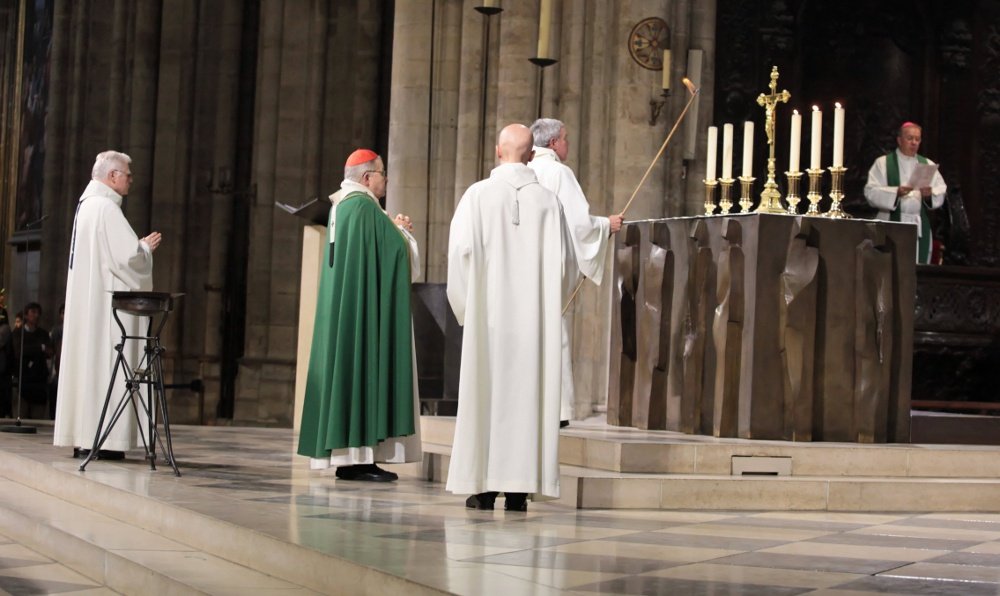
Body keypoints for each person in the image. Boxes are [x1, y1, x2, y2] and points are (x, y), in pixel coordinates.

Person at [446, 124, 578, 511]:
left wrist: (467, 310)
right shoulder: (548, 202)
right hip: (534, 325)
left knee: (487, 396)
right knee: (528, 397)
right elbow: (566, 265)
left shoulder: (476, 197)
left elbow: (459, 256)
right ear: (529, 154)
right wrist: (548, 306)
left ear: (497, 151)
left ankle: (483, 487)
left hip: (489, 322)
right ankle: (520, 489)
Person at [296, 148, 422, 481]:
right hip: (362, 313)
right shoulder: (364, 206)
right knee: (364, 368)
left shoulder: (342, 205)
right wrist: (403, 232)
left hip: (346, 311)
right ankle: (361, 459)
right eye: (383, 174)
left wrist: (391, 227)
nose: (386, 180)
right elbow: (395, 253)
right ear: (367, 178)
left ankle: (351, 458)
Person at [53, 150, 162, 458]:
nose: (130, 180)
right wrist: (144, 247)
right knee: (106, 366)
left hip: (91, 306)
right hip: (107, 311)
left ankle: (87, 436)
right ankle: (107, 441)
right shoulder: (106, 209)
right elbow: (128, 259)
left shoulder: (86, 207)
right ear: (113, 176)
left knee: (90, 368)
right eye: (127, 175)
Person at [528, 118, 623, 426]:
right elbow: (579, 224)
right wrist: (606, 225)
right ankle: (557, 411)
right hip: (552, 266)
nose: (568, 144)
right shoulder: (558, 172)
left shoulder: (525, 170)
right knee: (555, 333)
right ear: (553, 143)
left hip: (526, 267)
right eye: (566, 138)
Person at [864, 122, 947, 264]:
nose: (914, 142)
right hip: (890, 223)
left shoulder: (927, 164)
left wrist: (929, 195)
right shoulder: (883, 163)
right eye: (910, 138)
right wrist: (896, 192)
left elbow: (941, 190)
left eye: (917, 139)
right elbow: (870, 192)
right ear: (899, 140)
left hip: (918, 226)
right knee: (890, 267)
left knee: (916, 268)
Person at [10, 302, 51, 419]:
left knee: (37, 419)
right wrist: (39, 348)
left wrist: (40, 349)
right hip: (23, 381)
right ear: (26, 315)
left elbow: (48, 351)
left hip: (39, 382)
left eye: (38, 313)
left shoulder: (43, 333)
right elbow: (20, 351)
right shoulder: (18, 333)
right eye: (33, 312)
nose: (36, 315)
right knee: (21, 416)